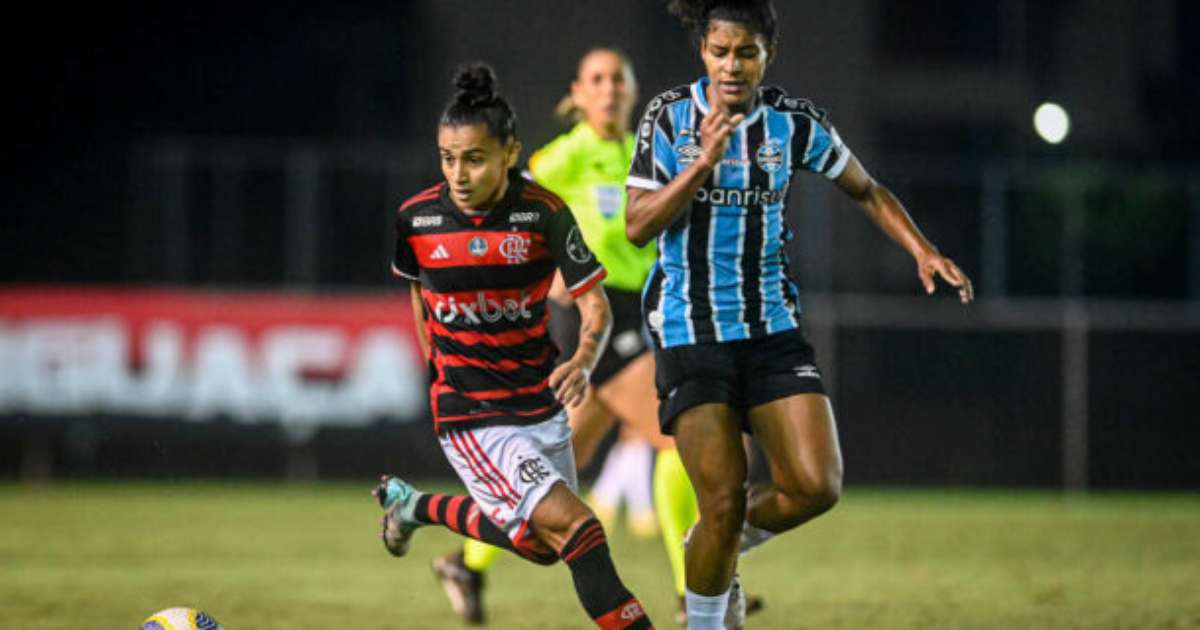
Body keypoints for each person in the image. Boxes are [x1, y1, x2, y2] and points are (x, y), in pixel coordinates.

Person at [624, 1, 975, 628]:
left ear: (768, 55)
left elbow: (865, 189)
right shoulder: (670, 117)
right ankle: (709, 602)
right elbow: (636, 227)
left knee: (817, 486)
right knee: (724, 497)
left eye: (746, 52)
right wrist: (700, 166)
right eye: (720, 51)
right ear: (702, 52)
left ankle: (713, 545)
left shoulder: (794, 124)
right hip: (688, 327)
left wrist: (923, 250)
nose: (732, 66)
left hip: (771, 328)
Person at [432, 48, 754, 627]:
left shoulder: (641, 153)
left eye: (619, 80)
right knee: (678, 433)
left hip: (642, 311)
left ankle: (466, 564)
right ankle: (694, 594)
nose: (609, 90)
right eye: (597, 80)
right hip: (585, 315)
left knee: (557, 473)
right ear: (578, 94)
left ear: (632, 94)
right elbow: (510, 222)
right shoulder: (559, 159)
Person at [377, 61, 655, 630]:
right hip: (473, 414)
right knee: (581, 531)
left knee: (543, 546)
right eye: (448, 158)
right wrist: (441, 371)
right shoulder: (416, 220)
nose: (458, 173)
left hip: (539, 405)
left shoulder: (544, 213)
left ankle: (415, 507)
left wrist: (582, 359)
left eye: (474, 158)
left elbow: (593, 304)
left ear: (509, 153)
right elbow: (418, 296)